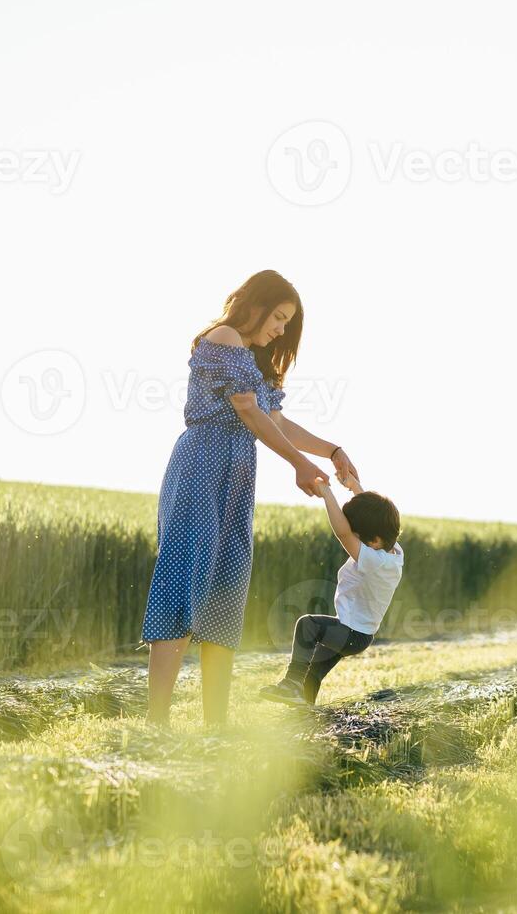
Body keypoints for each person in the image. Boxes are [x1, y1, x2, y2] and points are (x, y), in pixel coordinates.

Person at [139, 270, 360, 726]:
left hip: (237, 476)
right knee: (184, 580)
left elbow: (275, 422)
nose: (280, 329)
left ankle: (214, 726)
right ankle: (156, 725)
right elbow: (246, 410)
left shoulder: (256, 361)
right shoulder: (222, 338)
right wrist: (298, 463)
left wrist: (332, 451)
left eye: (287, 322)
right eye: (278, 317)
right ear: (255, 304)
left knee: (226, 587)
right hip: (202, 463)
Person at [259, 472, 402, 706]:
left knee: (308, 625)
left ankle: (291, 685)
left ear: (374, 541)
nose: (353, 541)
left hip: (351, 633)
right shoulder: (392, 550)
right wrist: (356, 488)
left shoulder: (375, 561)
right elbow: (375, 516)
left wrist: (327, 493)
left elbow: (342, 533)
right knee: (313, 671)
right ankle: (304, 711)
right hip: (357, 633)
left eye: (358, 538)